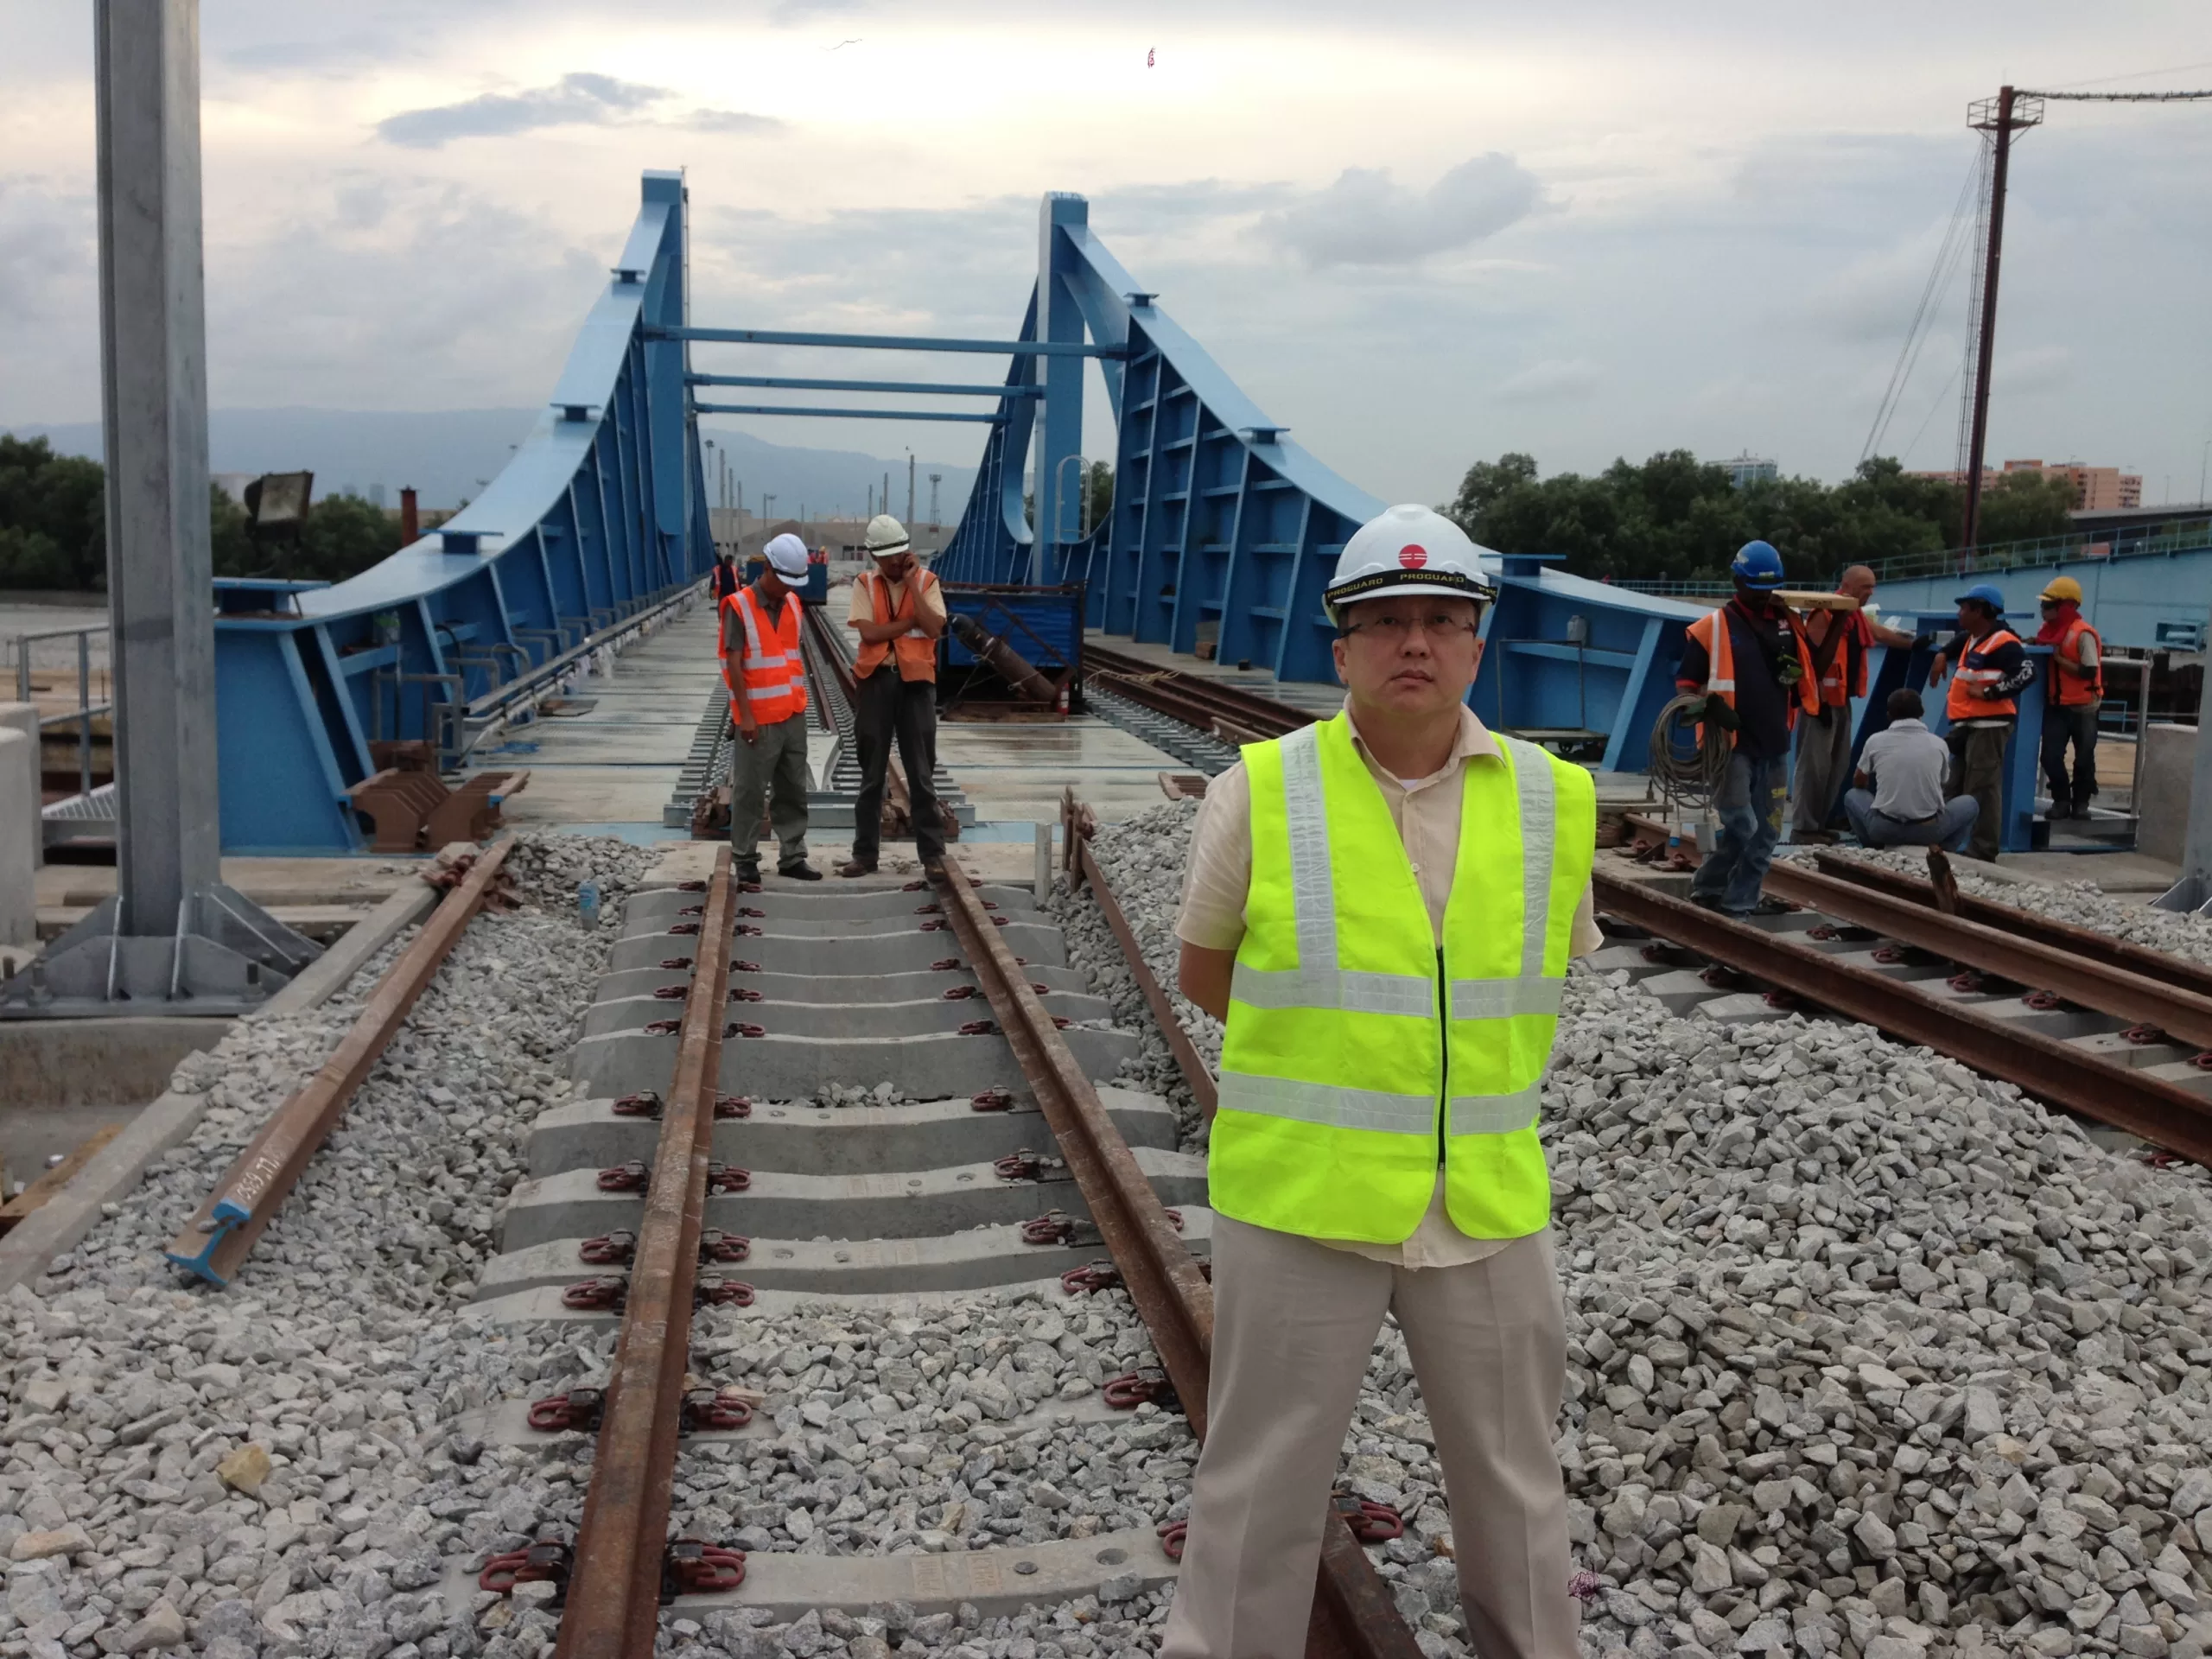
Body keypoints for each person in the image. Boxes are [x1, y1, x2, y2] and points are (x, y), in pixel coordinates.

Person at [1165, 504, 1603, 1659]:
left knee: (1517, 1490)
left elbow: (1540, 971)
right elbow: (1209, 971)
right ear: (1341, 647)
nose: (1417, 642)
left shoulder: (1556, 801)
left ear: (1477, 642)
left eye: (1443, 621)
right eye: (1387, 622)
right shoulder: (1260, 791)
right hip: (1304, 1202)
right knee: (1258, 1486)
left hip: (1487, 1204)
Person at [1674, 540, 1819, 916]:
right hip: (1731, 745)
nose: (1761, 597)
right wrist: (1709, 708)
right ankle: (1709, 887)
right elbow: (1687, 686)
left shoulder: (1789, 624)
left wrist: (1795, 674)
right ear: (1737, 582)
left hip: (1775, 743)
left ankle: (1737, 901)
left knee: (1768, 832)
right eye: (1754, 590)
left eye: (1767, 590)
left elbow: (1808, 666)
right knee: (1743, 826)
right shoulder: (1713, 628)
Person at [840, 514, 947, 877]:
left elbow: (934, 627)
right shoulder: (864, 584)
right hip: (876, 681)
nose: (894, 562)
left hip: (917, 684)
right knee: (872, 775)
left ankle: (933, 856)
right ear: (874, 556)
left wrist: (914, 586)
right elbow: (870, 635)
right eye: (886, 558)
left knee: (921, 773)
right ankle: (865, 855)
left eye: (899, 555)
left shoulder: (927, 581)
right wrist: (909, 623)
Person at [720, 533, 821, 886]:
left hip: (792, 712)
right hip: (758, 717)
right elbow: (733, 664)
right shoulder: (739, 605)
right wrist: (744, 716)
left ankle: (792, 855)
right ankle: (745, 858)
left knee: (793, 787)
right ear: (768, 569)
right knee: (750, 790)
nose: (790, 588)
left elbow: (789, 656)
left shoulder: (793, 604)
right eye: (785, 581)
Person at [1790, 564, 1917, 842]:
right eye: (1865, 587)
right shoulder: (1824, 614)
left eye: (1872, 587)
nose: (1870, 593)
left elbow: (1879, 633)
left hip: (1841, 701)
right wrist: (1819, 702)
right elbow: (1810, 662)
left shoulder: (1853, 616)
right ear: (1847, 587)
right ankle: (1804, 827)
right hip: (1820, 704)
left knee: (1836, 766)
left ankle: (1818, 824)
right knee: (1815, 767)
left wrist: (1915, 644)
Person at [1927, 583, 2032, 862]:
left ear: (1981, 611)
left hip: (1989, 725)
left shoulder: (2004, 642)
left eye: (1964, 608)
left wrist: (1989, 693)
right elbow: (1961, 640)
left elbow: (2027, 673)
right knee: (1955, 784)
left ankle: (1982, 850)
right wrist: (1941, 654)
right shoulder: (1975, 637)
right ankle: (1947, 842)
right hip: (1968, 724)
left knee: (1982, 788)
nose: (1959, 613)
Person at [1843, 689, 1979, 850]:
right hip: (1928, 831)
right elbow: (1943, 781)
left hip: (1884, 830)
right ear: (1922, 712)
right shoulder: (1939, 744)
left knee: (1852, 795)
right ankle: (1942, 851)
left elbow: (1858, 781)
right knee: (1970, 803)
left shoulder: (1875, 741)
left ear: (1889, 715)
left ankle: (1874, 848)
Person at [2035, 575, 2103, 819]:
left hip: (2084, 707)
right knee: (2050, 756)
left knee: (2084, 758)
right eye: (2043, 605)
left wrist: (2058, 659)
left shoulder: (2082, 634)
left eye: (2048, 605)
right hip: (2057, 705)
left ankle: (2081, 804)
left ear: (2065, 606)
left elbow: (2089, 670)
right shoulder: (2047, 633)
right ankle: (2061, 800)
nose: (2043, 610)